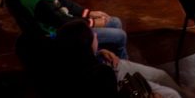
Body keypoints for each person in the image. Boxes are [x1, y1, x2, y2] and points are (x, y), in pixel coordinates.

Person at [53, 18, 184, 98]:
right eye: (92, 35)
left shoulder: (70, 59)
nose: (96, 35)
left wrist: (98, 52)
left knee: (162, 75)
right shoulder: (100, 76)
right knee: (172, 94)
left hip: (108, 64)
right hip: (116, 79)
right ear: (86, 47)